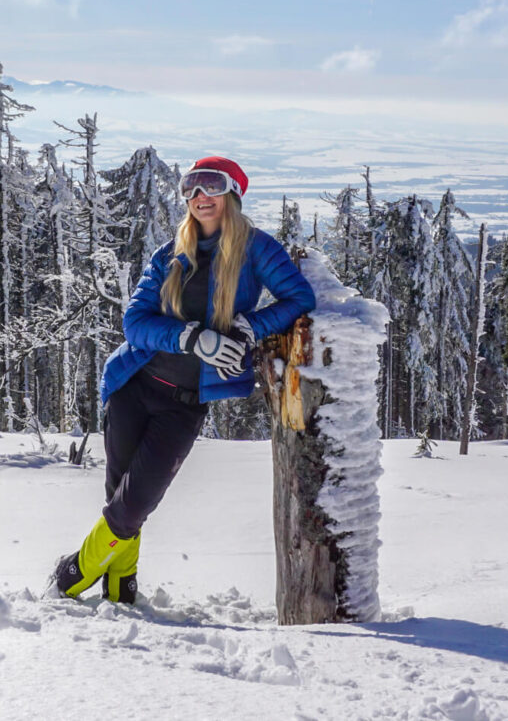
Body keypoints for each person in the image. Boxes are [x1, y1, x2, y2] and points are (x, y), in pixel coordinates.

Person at [51, 156, 317, 602]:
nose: (199, 197)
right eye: (190, 188)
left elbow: (298, 298)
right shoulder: (170, 253)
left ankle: (72, 575)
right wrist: (191, 339)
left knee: (133, 504)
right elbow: (134, 324)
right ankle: (121, 589)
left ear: (233, 192)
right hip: (132, 387)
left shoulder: (257, 249)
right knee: (121, 499)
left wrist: (252, 326)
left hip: (185, 402)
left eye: (210, 186)